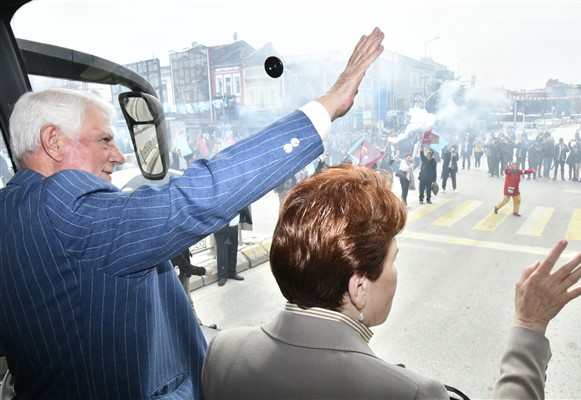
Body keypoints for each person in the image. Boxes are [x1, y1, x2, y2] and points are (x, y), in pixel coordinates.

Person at [0, 27, 385, 399]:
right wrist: (329, 104)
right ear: (53, 141)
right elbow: (194, 198)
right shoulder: (68, 208)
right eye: (104, 140)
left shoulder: (10, 210)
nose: (118, 156)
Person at [201, 163, 581, 400]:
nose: (395, 274)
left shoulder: (223, 351)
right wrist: (529, 327)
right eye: (392, 261)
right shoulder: (409, 393)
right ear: (358, 287)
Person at [171, 248, 214, 323]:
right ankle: (198, 327)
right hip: (178, 276)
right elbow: (184, 265)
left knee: (187, 303)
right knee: (187, 304)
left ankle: (198, 326)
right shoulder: (173, 242)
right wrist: (203, 271)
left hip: (180, 275)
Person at [214, 206, 251, 286]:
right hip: (222, 227)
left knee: (233, 250)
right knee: (222, 252)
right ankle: (222, 275)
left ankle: (232, 272)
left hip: (234, 226)